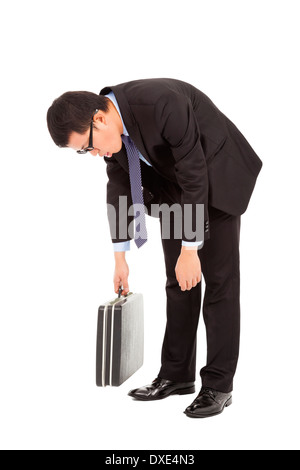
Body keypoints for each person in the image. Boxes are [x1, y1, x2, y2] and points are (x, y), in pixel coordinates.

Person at [47, 78, 262, 419]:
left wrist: (190, 250)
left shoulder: (162, 103)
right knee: (178, 282)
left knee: (219, 284)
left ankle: (219, 385)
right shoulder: (113, 139)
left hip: (215, 176)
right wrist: (120, 258)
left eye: (88, 146)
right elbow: (118, 186)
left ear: (99, 120)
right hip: (176, 187)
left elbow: (195, 172)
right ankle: (176, 375)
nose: (93, 154)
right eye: (83, 152)